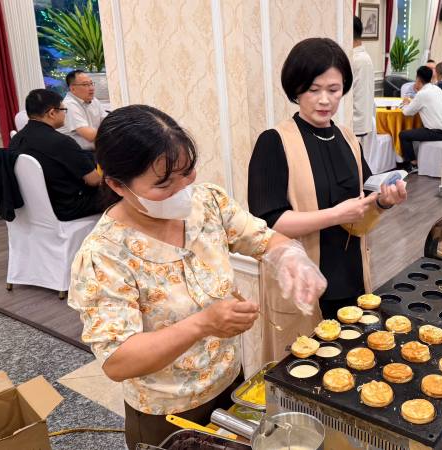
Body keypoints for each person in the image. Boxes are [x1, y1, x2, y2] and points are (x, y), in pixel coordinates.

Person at [68, 104, 327, 448]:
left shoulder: (207, 202)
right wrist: (202, 324)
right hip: (165, 411)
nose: (182, 191)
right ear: (117, 185)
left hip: (232, 384)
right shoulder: (105, 254)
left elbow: (262, 238)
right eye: (163, 184)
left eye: (187, 173)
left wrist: (291, 256)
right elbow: (118, 360)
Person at [248, 37, 407, 321]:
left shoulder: (347, 138)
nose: (325, 100)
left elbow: (365, 201)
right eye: (313, 90)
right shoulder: (275, 142)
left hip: (352, 273)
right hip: (305, 278)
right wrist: (334, 215)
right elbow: (268, 223)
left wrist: (383, 201)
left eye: (334, 90)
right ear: (295, 90)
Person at [9, 89, 102, 221]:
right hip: (68, 206)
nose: (65, 114)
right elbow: (94, 180)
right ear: (52, 113)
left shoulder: (16, 139)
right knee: (122, 192)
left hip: (36, 209)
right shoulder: (61, 142)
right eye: (64, 110)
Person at [398, 65, 442, 171]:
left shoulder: (422, 94)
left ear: (418, 79)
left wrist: (405, 103)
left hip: (435, 132)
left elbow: (407, 112)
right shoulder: (437, 89)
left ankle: (412, 164)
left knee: (403, 135)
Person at [61, 69, 107, 150]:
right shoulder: (69, 105)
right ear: (73, 89)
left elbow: (107, 121)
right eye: (86, 85)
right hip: (79, 153)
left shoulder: (93, 100)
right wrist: (114, 134)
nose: (91, 88)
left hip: (97, 149)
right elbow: (90, 135)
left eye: (91, 83)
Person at [351, 16, 375, 139]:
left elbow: (359, 95)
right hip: (354, 122)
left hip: (355, 123)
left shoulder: (360, 60)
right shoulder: (357, 58)